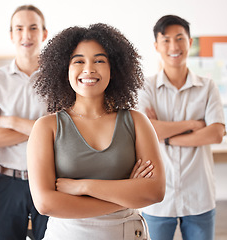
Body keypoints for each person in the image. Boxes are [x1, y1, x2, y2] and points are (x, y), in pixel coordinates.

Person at [27, 23, 166, 240]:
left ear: (115, 68)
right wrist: (126, 194)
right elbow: (46, 203)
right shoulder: (47, 127)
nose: (89, 69)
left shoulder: (137, 121)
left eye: (99, 60)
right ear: (64, 69)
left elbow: (155, 191)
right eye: (79, 61)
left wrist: (81, 186)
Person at [138, 15, 225, 240]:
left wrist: (166, 136)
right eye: (166, 40)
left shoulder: (207, 87)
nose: (174, 46)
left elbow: (216, 134)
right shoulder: (146, 87)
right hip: (158, 198)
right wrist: (194, 125)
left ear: (190, 42)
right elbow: (145, 132)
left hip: (199, 196)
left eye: (179, 38)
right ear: (156, 46)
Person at [0, 5, 49, 240]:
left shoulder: (59, 78)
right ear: (11, 35)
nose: (26, 35)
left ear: (44, 33)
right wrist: (42, 128)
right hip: (9, 181)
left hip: (50, 179)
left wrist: (11, 121)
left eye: (33, 28)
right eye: (19, 29)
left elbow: (64, 133)